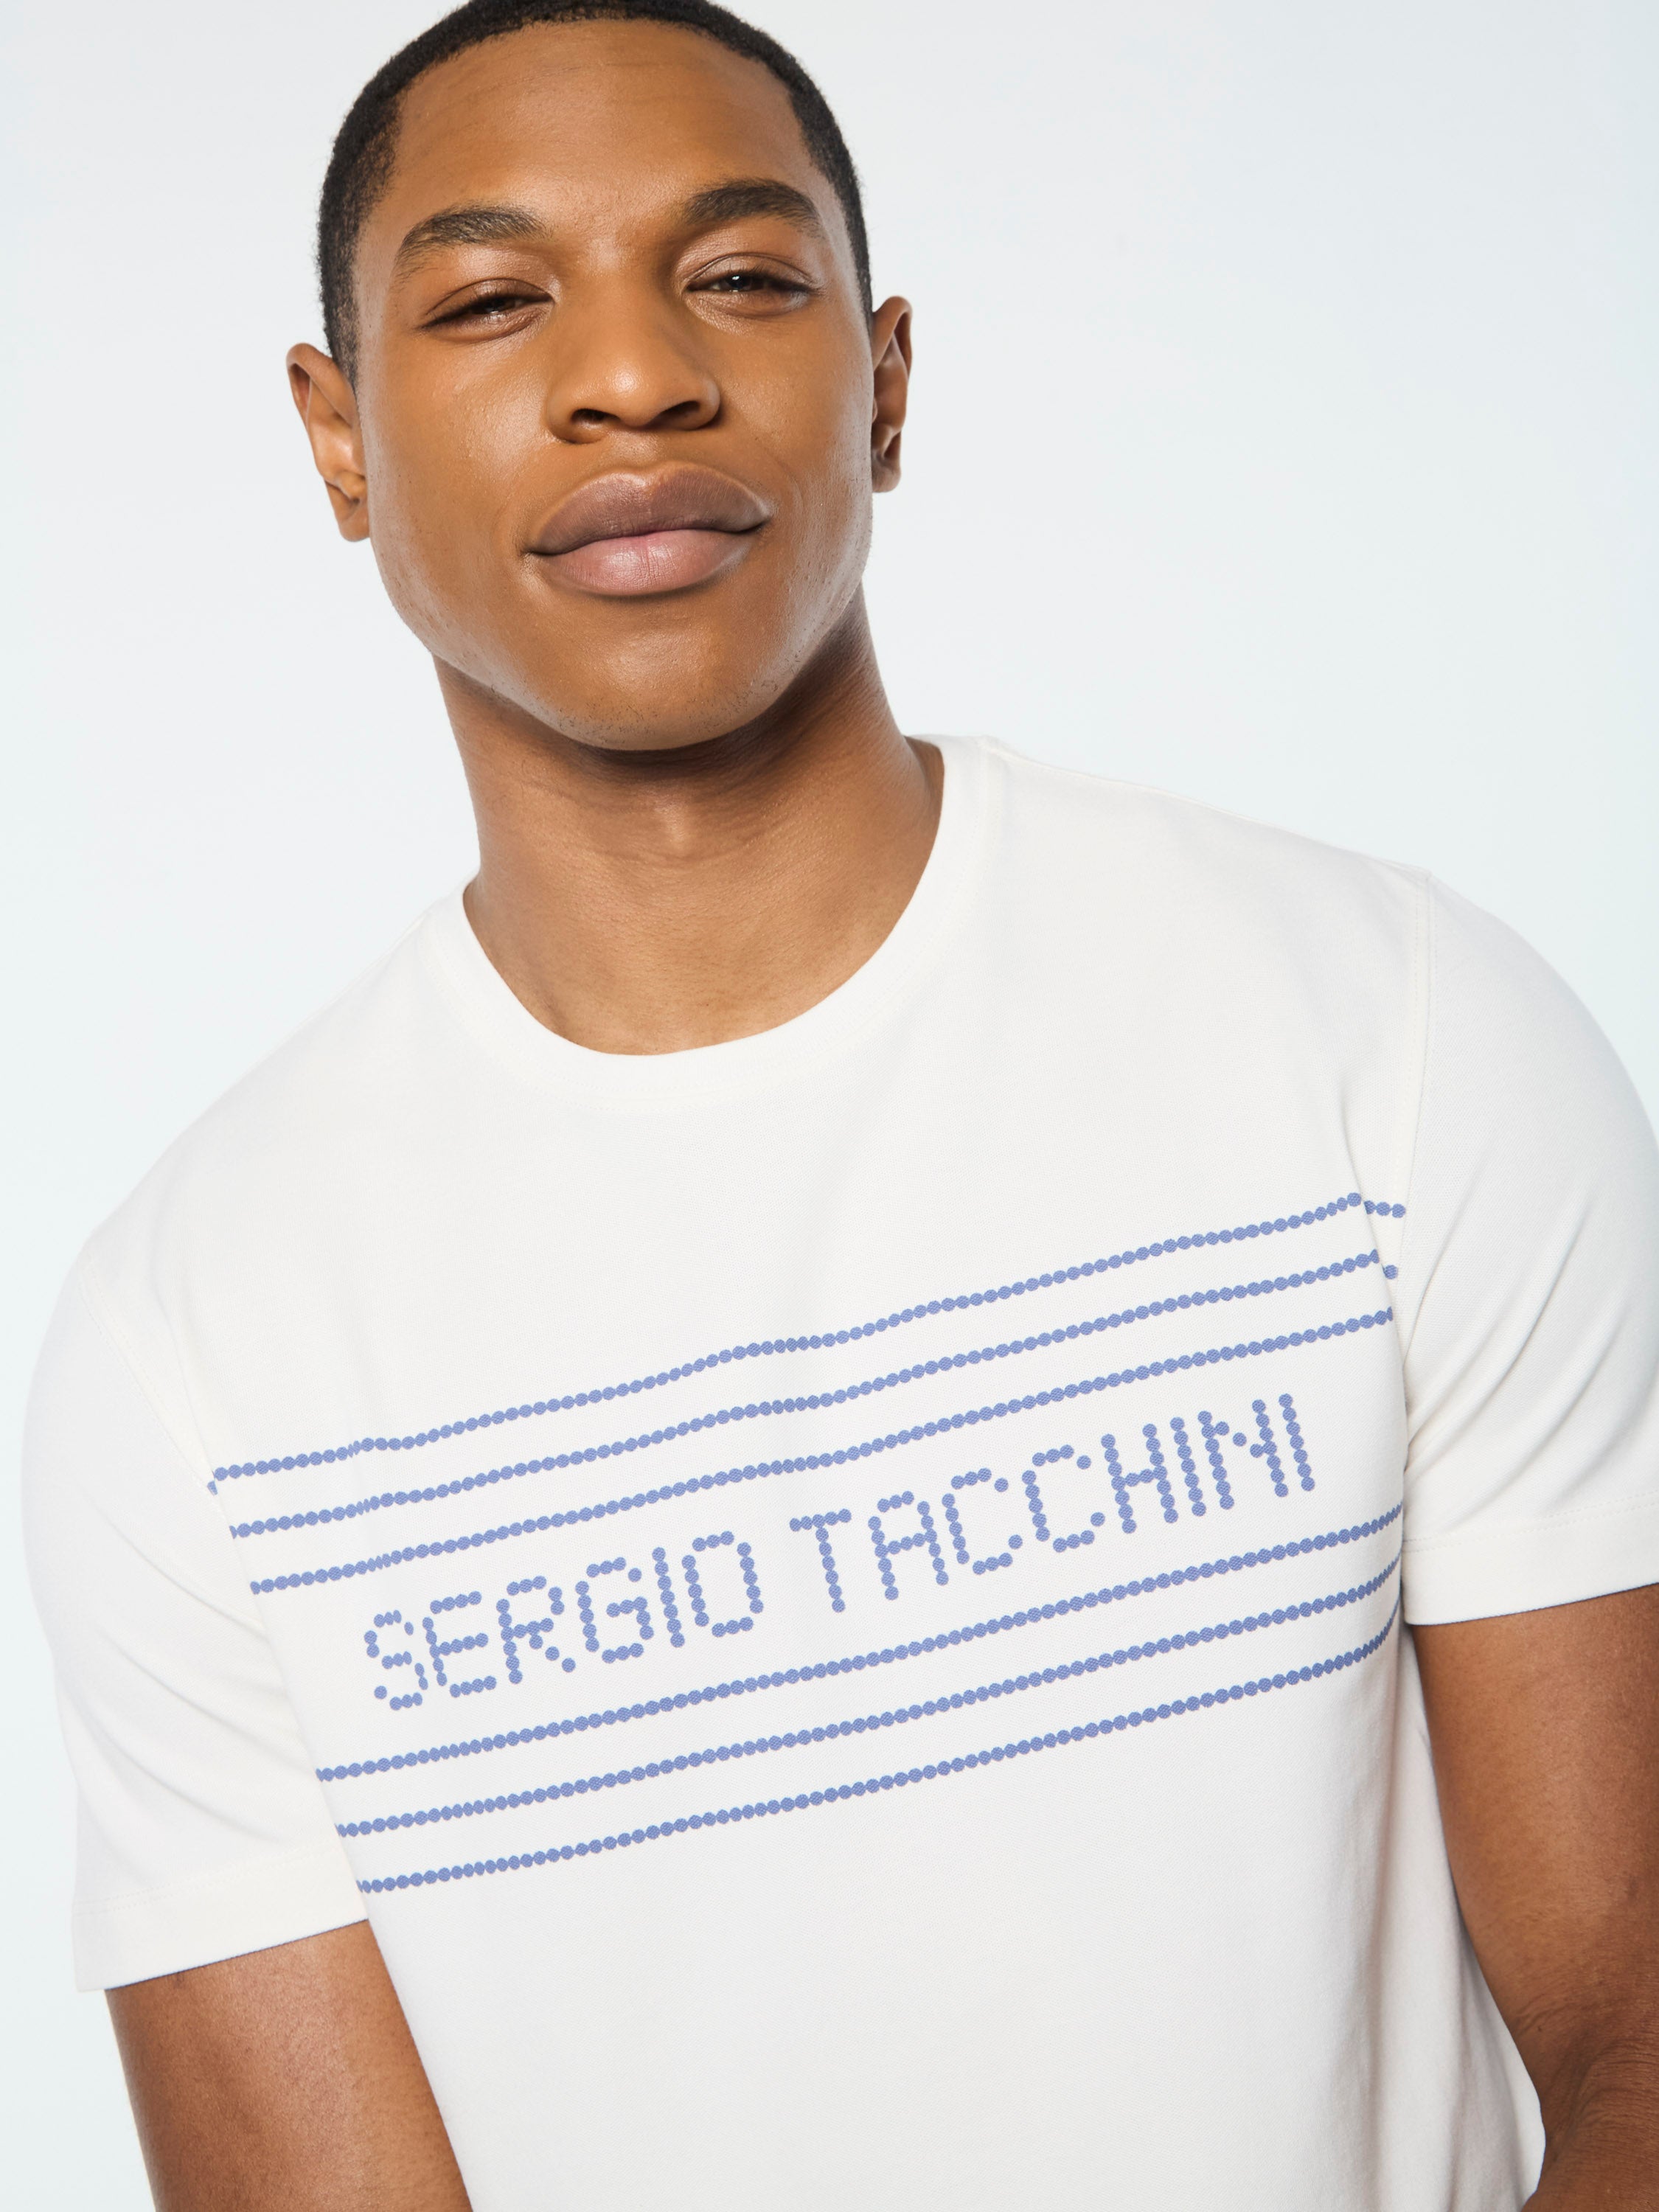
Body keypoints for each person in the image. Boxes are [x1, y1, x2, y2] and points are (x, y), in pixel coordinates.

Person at [22, 1, 1659, 2205]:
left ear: (885, 383)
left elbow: (1641, 2044)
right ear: (338, 440)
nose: (632, 377)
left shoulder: (1396, 1035)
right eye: (494, 303)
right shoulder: (185, 1350)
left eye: (741, 277)